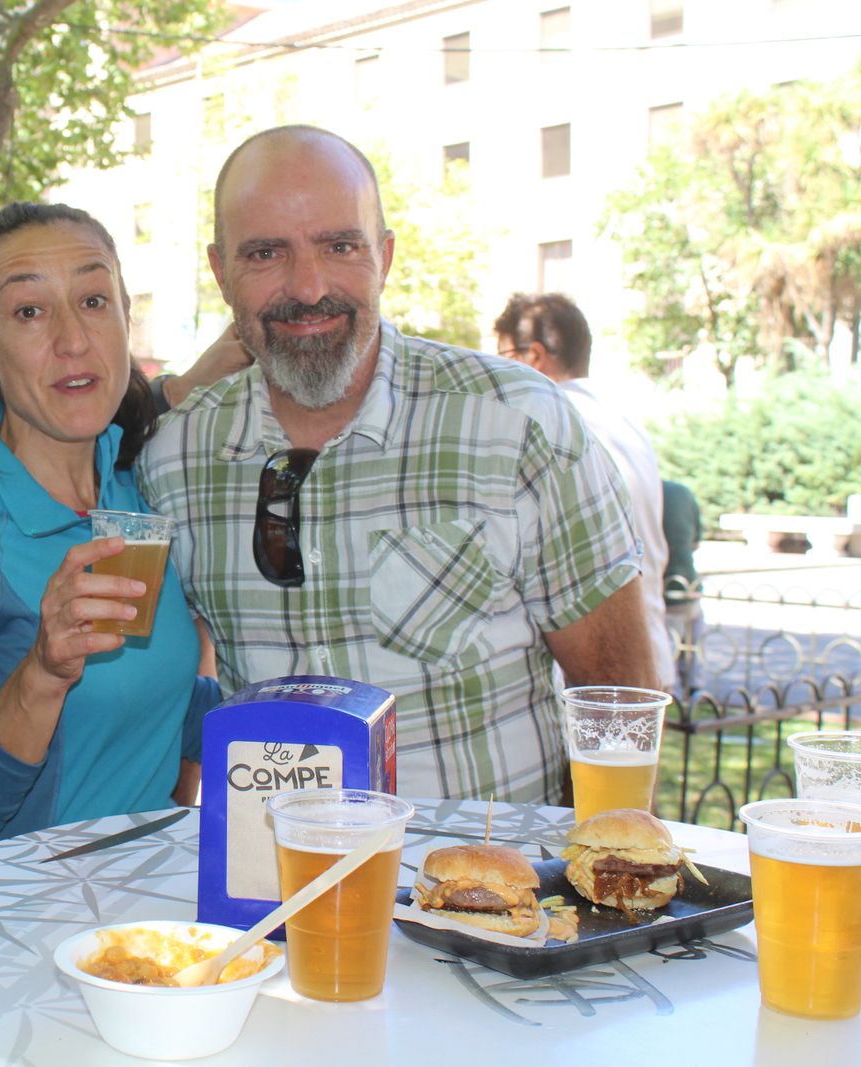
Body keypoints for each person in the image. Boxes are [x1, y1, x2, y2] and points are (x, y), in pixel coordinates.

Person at [138, 125, 657, 805]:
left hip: (492, 900)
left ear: (383, 256)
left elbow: (615, 699)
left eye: (340, 245)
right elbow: (181, 694)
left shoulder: (516, 422)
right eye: (266, 253)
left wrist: (607, 881)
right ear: (221, 272)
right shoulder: (174, 461)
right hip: (273, 898)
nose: (308, 285)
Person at [0, 203, 217, 853]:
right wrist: (44, 671)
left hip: (156, 903)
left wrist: (272, 712)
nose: (73, 338)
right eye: (29, 310)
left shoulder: (147, 488)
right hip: (28, 917)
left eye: (94, 299)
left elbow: (148, 705)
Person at [493, 292, 675, 692]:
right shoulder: (624, 419)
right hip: (646, 652)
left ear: (534, 356)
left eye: (502, 353)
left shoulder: (548, 424)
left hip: (589, 664)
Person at [661, 478, 706, 694]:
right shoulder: (682, 492)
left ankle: (679, 693)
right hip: (687, 587)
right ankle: (691, 687)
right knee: (687, 649)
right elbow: (695, 542)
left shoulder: (648, 491)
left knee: (668, 654)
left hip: (664, 592)